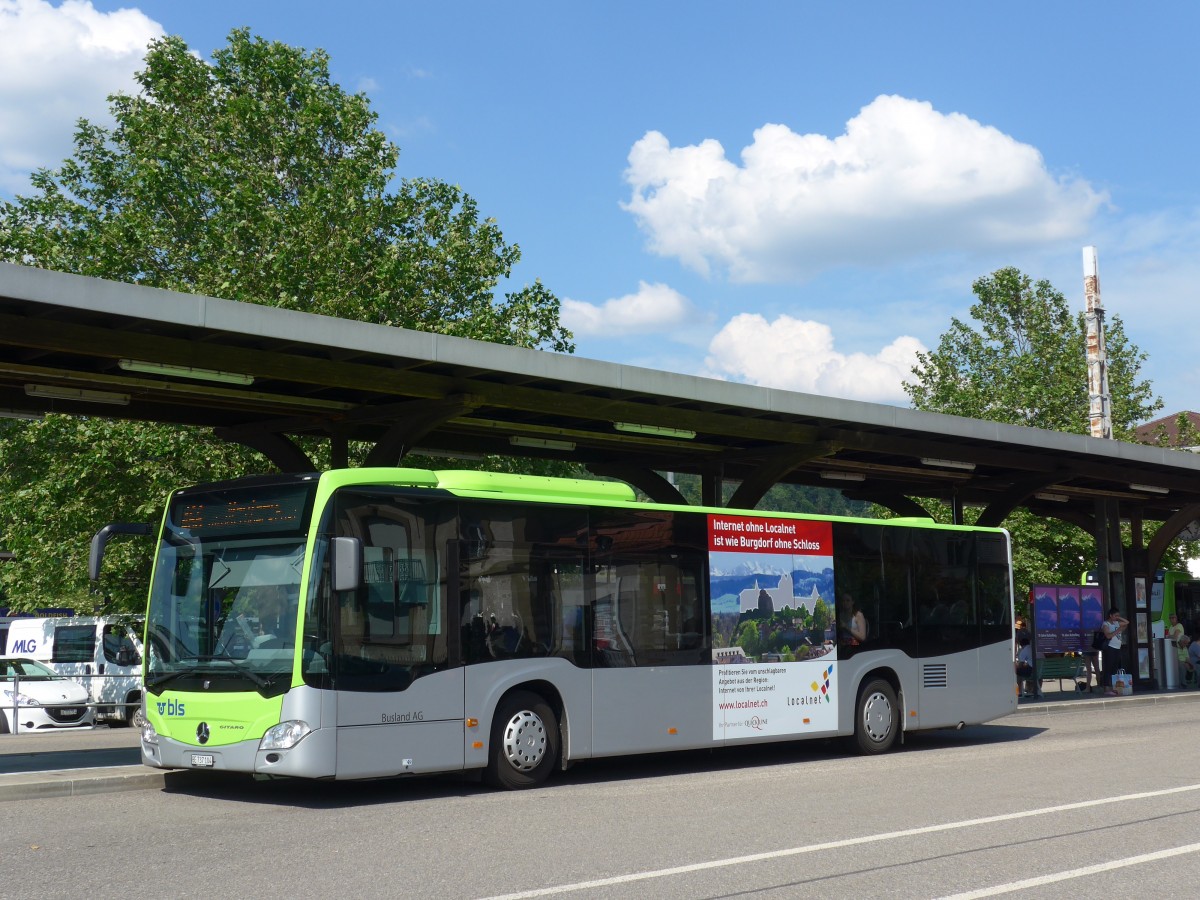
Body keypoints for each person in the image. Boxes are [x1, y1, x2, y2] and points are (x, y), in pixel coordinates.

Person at [1100, 606, 1129, 696]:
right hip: (1110, 647)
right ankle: (1106, 688)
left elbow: (1127, 622)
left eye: (1118, 615)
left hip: (1117, 648)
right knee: (1108, 668)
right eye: (1115, 615)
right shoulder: (1106, 624)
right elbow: (1108, 636)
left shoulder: (1116, 623)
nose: (1117, 617)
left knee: (1114, 668)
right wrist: (1118, 630)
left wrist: (1118, 618)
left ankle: (1112, 687)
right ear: (1110, 615)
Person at [1167, 613, 1187, 687]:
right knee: (1176, 667)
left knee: (1181, 666)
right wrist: (1169, 636)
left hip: (1180, 650)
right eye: (1170, 618)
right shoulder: (1171, 627)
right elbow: (1169, 636)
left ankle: (1184, 683)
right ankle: (1179, 683)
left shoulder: (1179, 626)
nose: (1172, 619)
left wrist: (1169, 636)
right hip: (1173, 650)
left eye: (1173, 618)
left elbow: (1174, 636)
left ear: (1176, 618)